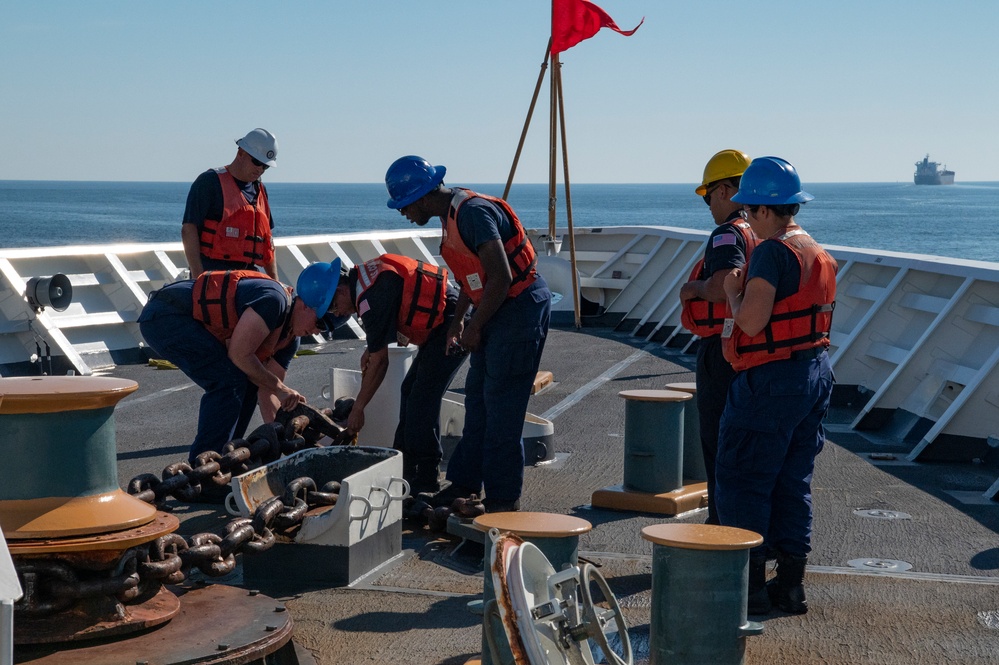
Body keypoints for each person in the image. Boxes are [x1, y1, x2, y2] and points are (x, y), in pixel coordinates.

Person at [384, 156, 552, 513]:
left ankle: (503, 501)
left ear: (422, 197)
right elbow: (468, 278)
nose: (402, 213)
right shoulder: (452, 218)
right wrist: (459, 321)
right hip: (493, 309)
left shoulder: (473, 214)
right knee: (478, 401)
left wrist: (475, 326)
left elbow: (501, 277)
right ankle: (463, 483)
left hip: (518, 310)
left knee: (502, 408)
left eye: (403, 205)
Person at [716, 156, 836, 616]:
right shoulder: (814, 250)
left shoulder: (770, 252)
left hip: (771, 381)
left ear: (767, 210)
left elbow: (750, 319)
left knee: (744, 478)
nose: (746, 217)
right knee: (792, 481)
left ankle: (748, 593)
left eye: (749, 210)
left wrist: (731, 291)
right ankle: (790, 587)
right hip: (814, 373)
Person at [138, 260, 344, 463]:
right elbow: (239, 355)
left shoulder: (289, 341)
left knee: (247, 384)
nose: (318, 331)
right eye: (319, 322)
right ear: (307, 305)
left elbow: (267, 390)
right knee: (229, 382)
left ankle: (224, 459)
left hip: (180, 320)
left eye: (325, 329)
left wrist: (285, 442)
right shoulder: (274, 301)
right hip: (166, 316)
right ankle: (202, 466)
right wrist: (281, 388)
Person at [329, 254, 470, 494]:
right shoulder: (365, 282)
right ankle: (405, 469)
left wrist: (359, 408)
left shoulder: (369, 297)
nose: (338, 313)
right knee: (410, 391)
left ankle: (425, 478)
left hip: (451, 323)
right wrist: (370, 347)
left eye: (333, 307)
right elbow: (386, 317)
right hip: (440, 320)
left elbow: (380, 363)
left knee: (422, 398)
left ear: (341, 290)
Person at [679, 149, 757, 525]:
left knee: (718, 442)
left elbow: (726, 281)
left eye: (709, 195)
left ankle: (721, 526)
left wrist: (691, 289)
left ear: (725, 190)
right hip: (753, 350)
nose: (708, 205)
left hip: (723, 350)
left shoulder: (728, 233)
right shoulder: (763, 232)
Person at [182, 128, 279, 280]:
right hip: (214, 275)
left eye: (265, 166)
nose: (260, 169)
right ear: (241, 153)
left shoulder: (260, 190)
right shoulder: (209, 182)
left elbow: (267, 242)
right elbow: (189, 229)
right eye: (257, 162)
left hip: (247, 277)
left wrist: (275, 282)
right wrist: (198, 278)